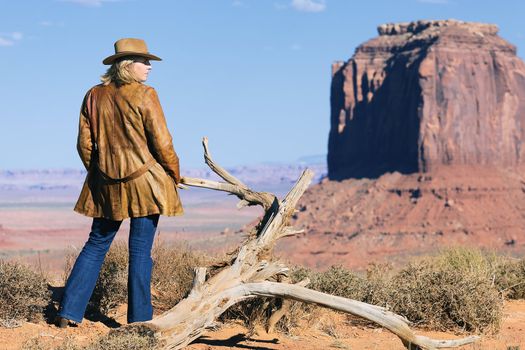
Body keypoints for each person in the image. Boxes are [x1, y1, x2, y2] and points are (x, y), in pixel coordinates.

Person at [56, 38, 183, 327]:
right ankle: (139, 323)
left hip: (106, 185)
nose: (149, 67)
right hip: (146, 185)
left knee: (96, 244)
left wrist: (101, 172)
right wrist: (174, 172)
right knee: (140, 251)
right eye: (144, 61)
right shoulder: (146, 94)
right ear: (127, 65)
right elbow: (162, 142)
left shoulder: (93, 95)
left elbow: (83, 145)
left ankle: (67, 313)